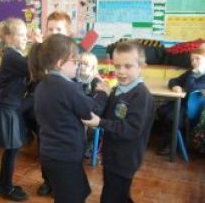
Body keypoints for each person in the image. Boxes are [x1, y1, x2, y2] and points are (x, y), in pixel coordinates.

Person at [32, 34, 106, 203]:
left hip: (51, 153)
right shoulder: (68, 88)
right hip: (65, 155)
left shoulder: (43, 84)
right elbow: (91, 111)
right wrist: (103, 93)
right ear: (59, 63)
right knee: (72, 197)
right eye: (75, 61)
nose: (78, 65)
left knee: (75, 192)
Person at [82, 40, 155, 203]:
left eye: (127, 66)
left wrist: (100, 123)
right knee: (118, 195)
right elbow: (105, 114)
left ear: (141, 66)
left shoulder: (141, 96)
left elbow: (131, 129)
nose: (121, 72)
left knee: (111, 197)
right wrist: (103, 94)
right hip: (112, 156)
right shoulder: (117, 90)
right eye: (117, 66)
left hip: (125, 160)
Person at [27, 11, 73, 196]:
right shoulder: (40, 51)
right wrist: (36, 47)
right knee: (44, 145)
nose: (54, 32)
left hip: (65, 110)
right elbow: (32, 74)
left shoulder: (72, 52)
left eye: (58, 29)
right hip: (44, 108)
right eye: (50, 29)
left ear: (68, 32)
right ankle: (47, 180)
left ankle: (62, 182)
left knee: (65, 148)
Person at [0, 18, 30, 201]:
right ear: (8, 38)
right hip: (7, 108)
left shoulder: (14, 55)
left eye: (26, 35)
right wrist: (42, 45)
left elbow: (28, 64)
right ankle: (5, 188)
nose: (26, 38)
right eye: (21, 35)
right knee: (12, 149)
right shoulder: (12, 56)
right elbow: (33, 68)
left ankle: (3, 184)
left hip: (10, 106)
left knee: (12, 149)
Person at [156, 43, 205, 155]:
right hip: (182, 103)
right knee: (162, 110)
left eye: (198, 59)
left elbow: (190, 88)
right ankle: (170, 141)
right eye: (192, 60)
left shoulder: (194, 73)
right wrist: (175, 86)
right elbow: (173, 80)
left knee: (172, 116)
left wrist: (193, 74)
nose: (194, 62)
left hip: (192, 108)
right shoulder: (191, 72)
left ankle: (170, 145)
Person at [78, 52, 109, 158]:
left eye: (86, 64)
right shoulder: (74, 79)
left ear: (93, 68)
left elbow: (97, 109)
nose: (82, 66)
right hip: (80, 112)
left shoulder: (97, 83)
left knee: (90, 126)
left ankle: (90, 146)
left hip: (93, 115)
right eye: (80, 63)